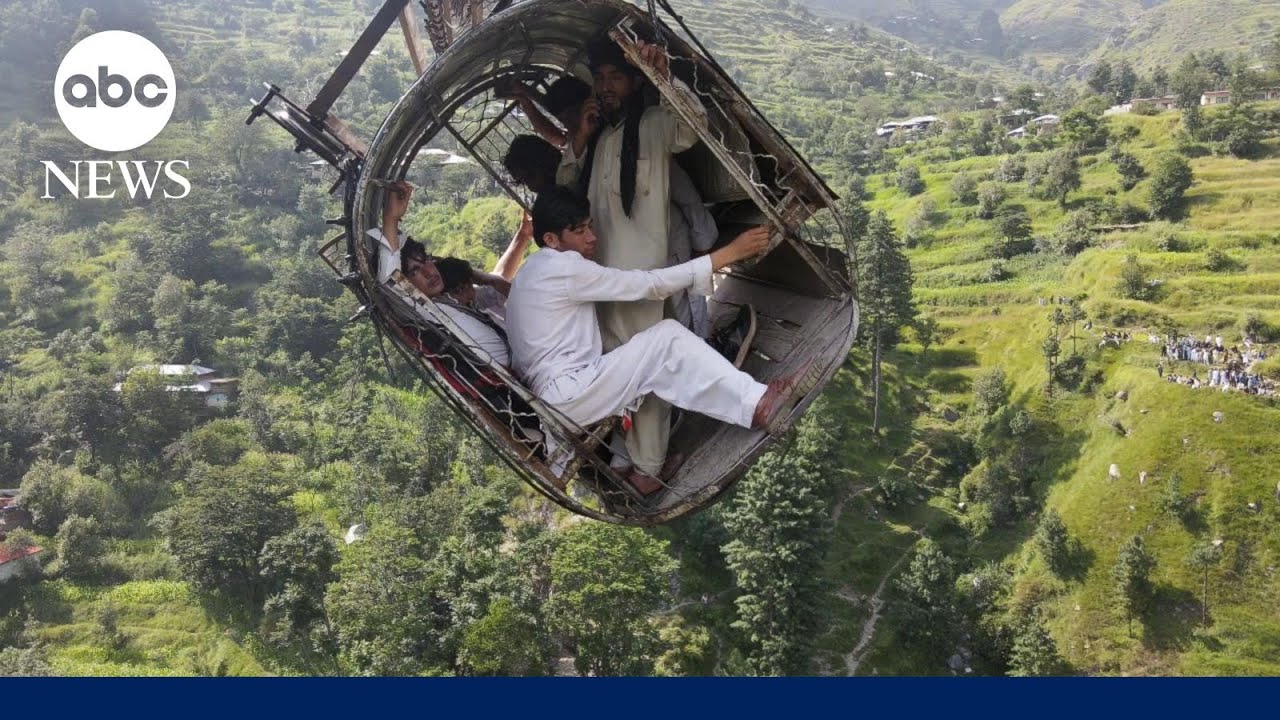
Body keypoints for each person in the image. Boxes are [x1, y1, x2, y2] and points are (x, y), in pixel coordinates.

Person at [507, 187, 805, 494]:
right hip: (568, 394)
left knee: (643, 355)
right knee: (666, 339)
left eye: (591, 226)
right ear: (551, 240)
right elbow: (650, 285)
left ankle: (629, 463)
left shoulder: (529, 274)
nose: (592, 238)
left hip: (557, 399)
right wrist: (726, 255)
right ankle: (758, 404)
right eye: (579, 231)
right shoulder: (561, 267)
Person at [552, 39, 712, 479]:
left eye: (615, 77)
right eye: (599, 78)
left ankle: (649, 466)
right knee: (615, 371)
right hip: (598, 281)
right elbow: (563, 188)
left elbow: (693, 127)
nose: (605, 87)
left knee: (649, 370)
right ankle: (625, 454)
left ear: (636, 82)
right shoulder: (600, 135)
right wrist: (581, 136)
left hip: (641, 279)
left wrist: (666, 77)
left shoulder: (656, 124)